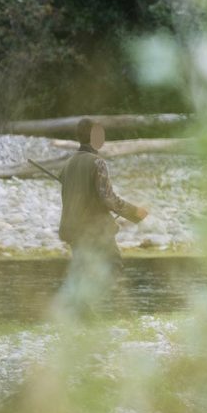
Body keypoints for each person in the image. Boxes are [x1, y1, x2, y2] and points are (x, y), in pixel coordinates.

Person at [54, 118, 149, 319]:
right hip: (94, 229)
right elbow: (108, 198)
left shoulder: (68, 164)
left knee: (82, 270)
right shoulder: (97, 162)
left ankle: (82, 314)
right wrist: (135, 212)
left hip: (72, 228)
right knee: (113, 266)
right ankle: (103, 309)